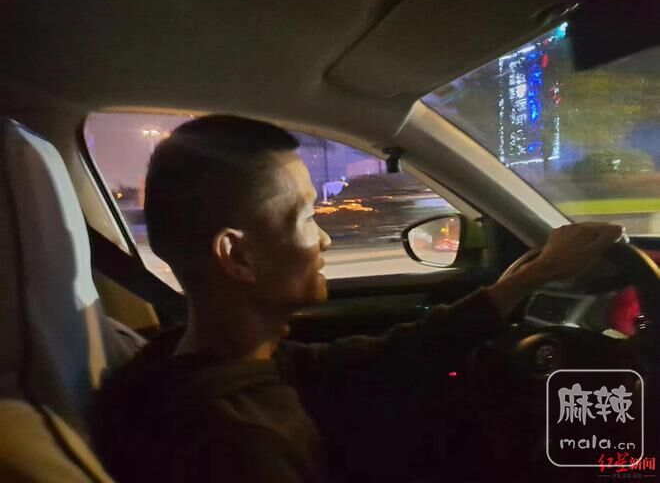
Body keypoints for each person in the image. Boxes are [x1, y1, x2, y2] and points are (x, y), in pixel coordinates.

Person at [93, 115, 623, 483]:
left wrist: (531, 277)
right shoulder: (235, 445)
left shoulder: (203, 361)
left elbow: (378, 359)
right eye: (305, 217)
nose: (324, 239)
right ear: (238, 256)